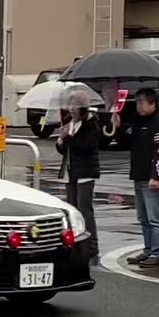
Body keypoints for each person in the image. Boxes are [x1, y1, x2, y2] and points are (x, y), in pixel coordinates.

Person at [126, 88, 159, 269]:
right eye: (137, 102)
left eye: (141, 102)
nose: (138, 106)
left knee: (155, 217)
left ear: (152, 103)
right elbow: (125, 137)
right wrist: (115, 125)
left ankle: (158, 253)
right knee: (143, 217)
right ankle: (148, 249)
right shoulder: (139, 121)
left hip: (152, 177)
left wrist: (156, 176)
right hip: (138, 174)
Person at [55, 99, 102, 263]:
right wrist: (61, 140)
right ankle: (76, 243)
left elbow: (86, 146)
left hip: (86, 171)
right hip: (71, 171)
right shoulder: (69, 123)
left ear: (83, 108)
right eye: (70, 106)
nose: (72, 110)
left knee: (85, 208)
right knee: (73, 209)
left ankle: (92, 245)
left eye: (75, 107)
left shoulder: (91, 124)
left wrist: (68, 138)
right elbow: (65, 149)